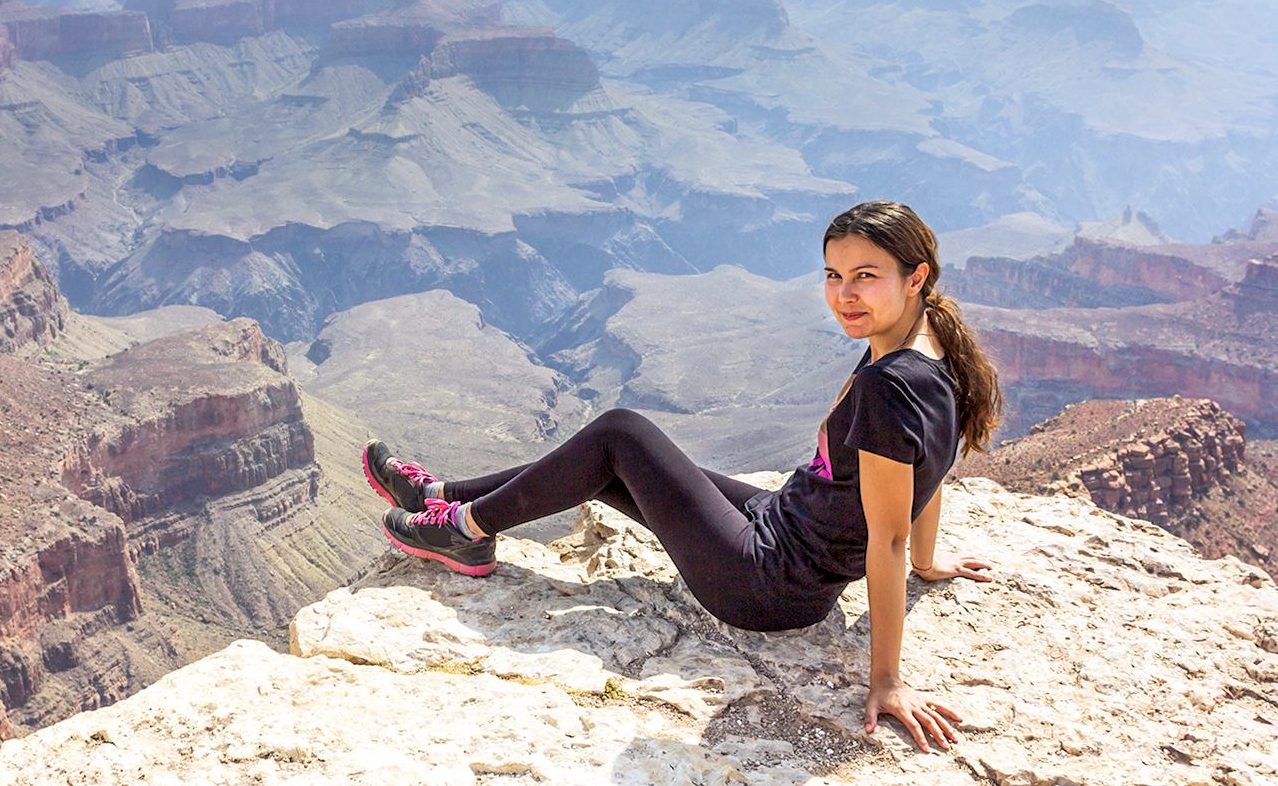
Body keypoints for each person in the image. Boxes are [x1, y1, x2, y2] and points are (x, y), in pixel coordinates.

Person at [362, 200, 1002, 752]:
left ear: (916, 276)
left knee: (620, 431)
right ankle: (439, 497)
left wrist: (886, 681)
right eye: (834, 275)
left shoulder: (888, 387)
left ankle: (466, 531)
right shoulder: (924, 342)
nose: (844, 295)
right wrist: (928, 561)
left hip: (765, 585)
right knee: (614, 461)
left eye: (866, 276)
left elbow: (886, 532)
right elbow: (931, 468)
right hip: (782, 526)